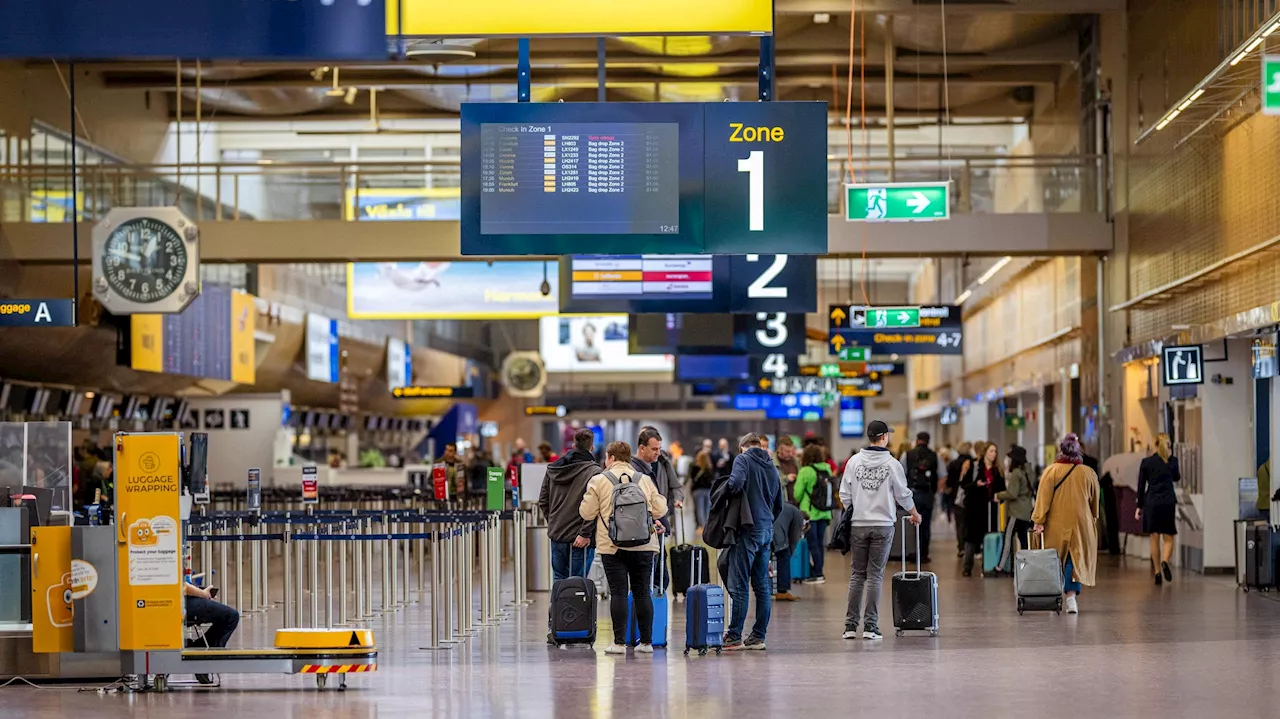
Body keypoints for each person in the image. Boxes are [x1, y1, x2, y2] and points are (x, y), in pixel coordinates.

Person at [578, 441, 668, 655]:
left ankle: (619, 643)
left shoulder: (599, 480)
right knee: (642, 592)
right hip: (644, 545)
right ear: (628, 458)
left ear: (609, 457)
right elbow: (660, 509)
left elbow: (586, 513)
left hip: (612, 546)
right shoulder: (643, 479)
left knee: (618, 593)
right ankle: (646, 643)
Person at [839, 420, 921, 640]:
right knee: (875, 575)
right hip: (883, 524)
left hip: (858, 524)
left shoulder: (854, 462)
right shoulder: (893, 464)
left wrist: (856, 509)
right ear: (884, 437)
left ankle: (849, 627)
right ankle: (870, 627)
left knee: (857, 575)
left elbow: (844, 494)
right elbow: (902, 494)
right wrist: (914, 513)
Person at [723, 432, 783, 651]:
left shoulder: (743, 459)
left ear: (743, 447)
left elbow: (735, 484)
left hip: (747, 529)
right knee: (762, 586)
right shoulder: (772, 467)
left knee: (739, 585)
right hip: (767, 529)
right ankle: (758, 636)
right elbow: (779, 504)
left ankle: (734, 636)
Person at [1032, 433, 1101, 614]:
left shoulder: (1051, 472)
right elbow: (1095, 502)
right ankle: (1071, 597)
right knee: (1074, 559)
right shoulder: (1088, 473)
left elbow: (1043, 499)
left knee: (1054, 559)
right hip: (1081, 523)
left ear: (1060, 451)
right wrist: (1093, 516)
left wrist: (1039, 521)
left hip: (1056, 524)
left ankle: (1054, 596)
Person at [538, 429, 601, 582]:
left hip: (557, 534)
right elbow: (595, 505)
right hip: (581, 538)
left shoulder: (553, 469)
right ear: (591, 448)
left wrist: (554, 522)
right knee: (577, 582)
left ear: (573, 445)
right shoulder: (595, 472)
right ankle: (575, 607)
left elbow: (543, 500)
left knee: (559, 579)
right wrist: (586, 533)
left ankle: (558, 606)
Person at [1136, 433, 1179, 585]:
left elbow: (1141, 486)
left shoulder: (1146, 462)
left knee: (1154, 538)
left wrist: (1139, 506)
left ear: (1154, 445)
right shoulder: (1172, 461)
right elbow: (1176, 477)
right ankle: (1165, 561)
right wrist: (1170, 458)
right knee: (1168, 537)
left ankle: (1157, 573)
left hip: (1151, 502)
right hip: (1168, 501)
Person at [960, 441, 1005, 576]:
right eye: (991, 451)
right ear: (985, 453)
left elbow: (1002, 488)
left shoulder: (997, 470)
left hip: (990, 509)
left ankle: (988, 565)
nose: (993, 454)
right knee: (971, 538)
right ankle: (967, 567)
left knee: (988, 537)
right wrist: (976, 484)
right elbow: (963, 484)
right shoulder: (974, 467)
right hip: (974, 508)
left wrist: (999, 496)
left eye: (995, 451)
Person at [793, 444, 835, 584]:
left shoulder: (805, 471)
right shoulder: (826, 469)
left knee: (813, 544)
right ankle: (819, 571)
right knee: (820, 543)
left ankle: (817, 573)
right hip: (824, 512)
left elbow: (797, 494)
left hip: (809, 513)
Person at [184, 580, 240, 684]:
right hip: (181, 602)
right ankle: (204, 657)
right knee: (231, 616)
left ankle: (200, 651)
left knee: (224, 614)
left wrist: (198, 592)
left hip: (186, 597)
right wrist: (203, 594)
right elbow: (181, 585)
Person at [631, 427, 684, 533]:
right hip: (642, 523)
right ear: (642, 448)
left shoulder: (664, 462)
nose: (658, 453)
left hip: (661, 516)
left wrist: (677, 499)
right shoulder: (632, 468)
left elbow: (675, 484)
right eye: (655, 449)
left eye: (659, 448)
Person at [901, 432, 942, 564]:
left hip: (913, 494)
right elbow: (942, 474)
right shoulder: (935, 456)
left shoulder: (907, 454)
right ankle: (925, 553)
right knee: (926, 525)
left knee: (914, 523)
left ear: (917, 440)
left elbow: (901, 473)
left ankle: (914, 552)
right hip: (928, 494)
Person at [996, 445, 1035, 557]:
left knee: (1007, 539)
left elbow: (1012, 493)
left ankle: (1001, 566)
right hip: (1027, 511)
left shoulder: (1017, 473)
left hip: (1015, 512)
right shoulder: (1029, 470)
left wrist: (998, 495)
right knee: (1024, 541)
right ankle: (1025, 566)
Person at [772, 501, 807, 602]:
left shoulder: (789, 508)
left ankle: (761, 589)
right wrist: (790, 553)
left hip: (766, 529)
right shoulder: (798, 515)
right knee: (784, 557)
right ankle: (782, 592)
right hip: (777, 532)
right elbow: (794, 537)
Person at [689, 449, 715, 531]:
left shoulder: (695, 467)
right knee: (707, 508)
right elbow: (711, 479)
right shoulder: (709, 468)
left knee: (699, 509)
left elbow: (692, 478)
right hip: (707, 490)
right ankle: (707, 525)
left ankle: (702, 526)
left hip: (698, 491)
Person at [774, 436, 799, 504]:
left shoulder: (796, 461)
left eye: (792, 451)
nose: (790, 454)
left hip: (797, 503)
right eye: (787, 452)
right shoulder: (772, 464)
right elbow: (772, 483)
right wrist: (786, 479)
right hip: (782, 504)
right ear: (779, 449)